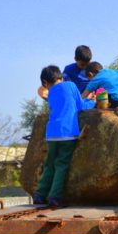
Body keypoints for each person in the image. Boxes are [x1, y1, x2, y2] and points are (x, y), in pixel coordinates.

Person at [33, 65, 95, 207]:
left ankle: (40, 194)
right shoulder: (71, 85)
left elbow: (67, 105)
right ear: (61, 77)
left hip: (52, 134)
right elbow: (79, 106)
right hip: (68, 133)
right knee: (61, 165)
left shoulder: (50, 93)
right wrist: (92, 102)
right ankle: (54, 197)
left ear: (45, 82)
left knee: (49, 165)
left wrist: (86, 100)